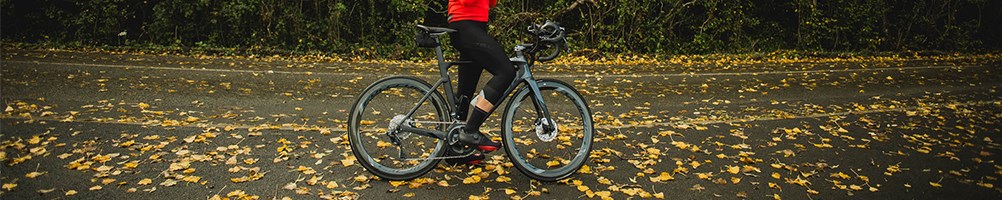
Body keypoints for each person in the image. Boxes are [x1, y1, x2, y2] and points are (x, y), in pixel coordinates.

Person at [444, 0, 509, 165]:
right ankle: (471, 131)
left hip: (473, 24)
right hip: (465, 23)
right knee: (506, 72)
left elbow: (491, 3)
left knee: (466, 89)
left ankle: (455, 150)